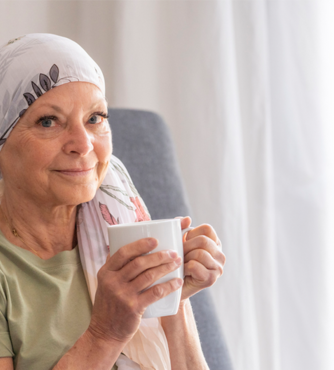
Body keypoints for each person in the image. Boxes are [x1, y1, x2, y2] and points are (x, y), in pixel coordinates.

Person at [0, 33, 226, 370]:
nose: (83, 144)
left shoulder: (118, 217)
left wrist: (171, 299)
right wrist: (106, 332)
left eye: (94, 118)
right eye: (49, 121)